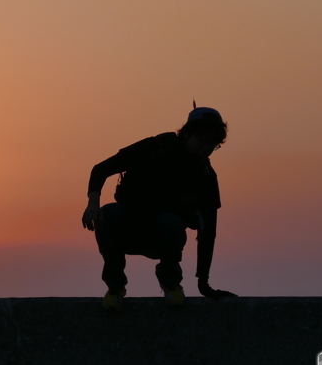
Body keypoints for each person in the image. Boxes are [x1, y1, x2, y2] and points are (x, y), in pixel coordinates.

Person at [81, 105, 237, 310]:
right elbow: (101, 169)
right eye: (202, 141)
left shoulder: (205, 176)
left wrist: (204, 285)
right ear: (187, 135)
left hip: (161, 239)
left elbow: (208, 233)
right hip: (128, 229)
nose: (206, 149)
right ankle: (115, 288)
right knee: (108, 214)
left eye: (213, 145)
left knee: (171, 222)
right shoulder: (153, 147)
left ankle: (171, 284)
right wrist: (93, 203)